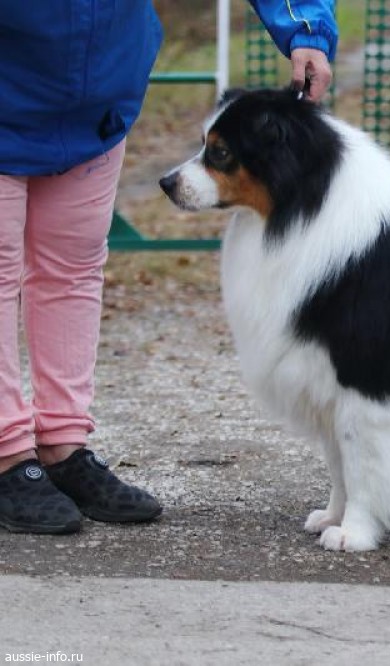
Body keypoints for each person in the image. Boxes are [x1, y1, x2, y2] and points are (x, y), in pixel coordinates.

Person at [0, 1, 338, 534]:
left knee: (74, 267)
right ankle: (6, 453)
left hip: (94, 87)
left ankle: (63, 445)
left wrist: (307, 29)